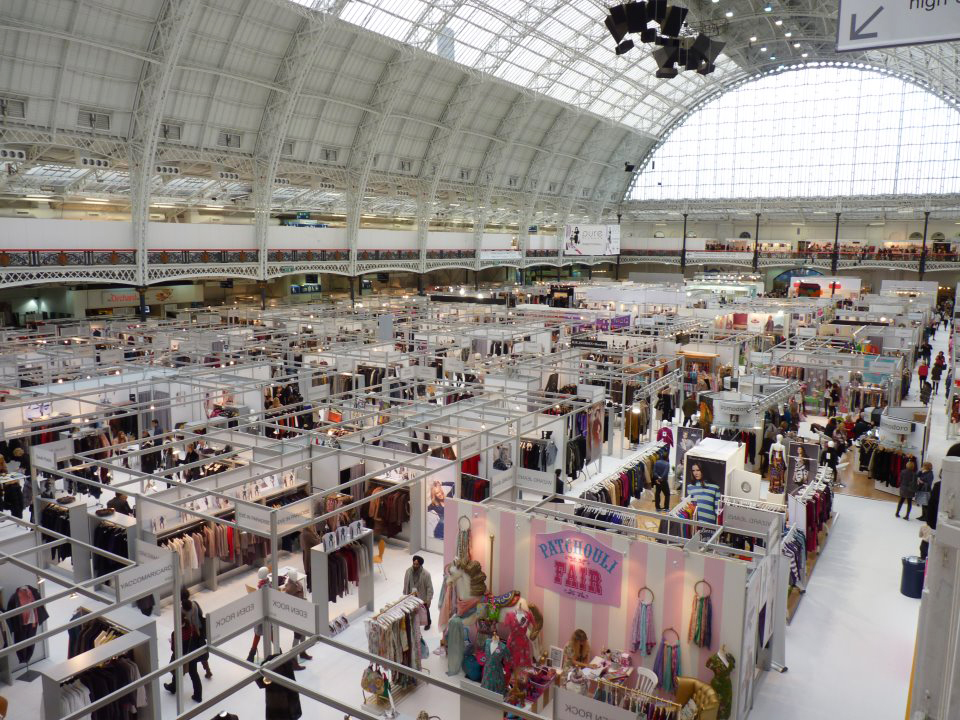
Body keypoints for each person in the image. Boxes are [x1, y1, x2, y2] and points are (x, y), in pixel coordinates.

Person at [164, 588, 207, 702]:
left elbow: (174, 648)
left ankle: (173, 687)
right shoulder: (194, 606)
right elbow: (199, 618)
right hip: (195, 642)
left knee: (176, 666)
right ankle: (198, 695)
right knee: (193, 672)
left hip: (184, 649)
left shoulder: (178, 631)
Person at [247, 568, 272, 662]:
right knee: (263, 633)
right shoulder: (264, 585)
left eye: (260, 573)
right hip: (261, 612)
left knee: (263, 633)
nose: (258, 574)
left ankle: (251, 655)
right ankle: (251, 655)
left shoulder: (265, 585)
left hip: (263, 612)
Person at [403, 555, 434, 630]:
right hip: (411, 594)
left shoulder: (426, 574)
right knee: (412, 610)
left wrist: (429, 599)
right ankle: (414, 622)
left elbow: (429, 587)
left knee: (425, 610)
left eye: (417, 564)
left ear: (420, 564)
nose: (415, 565)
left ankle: (428, 623)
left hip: (422, 595)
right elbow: (406, 583)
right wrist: (405, 593)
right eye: (414, 563)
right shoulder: (408, 571)